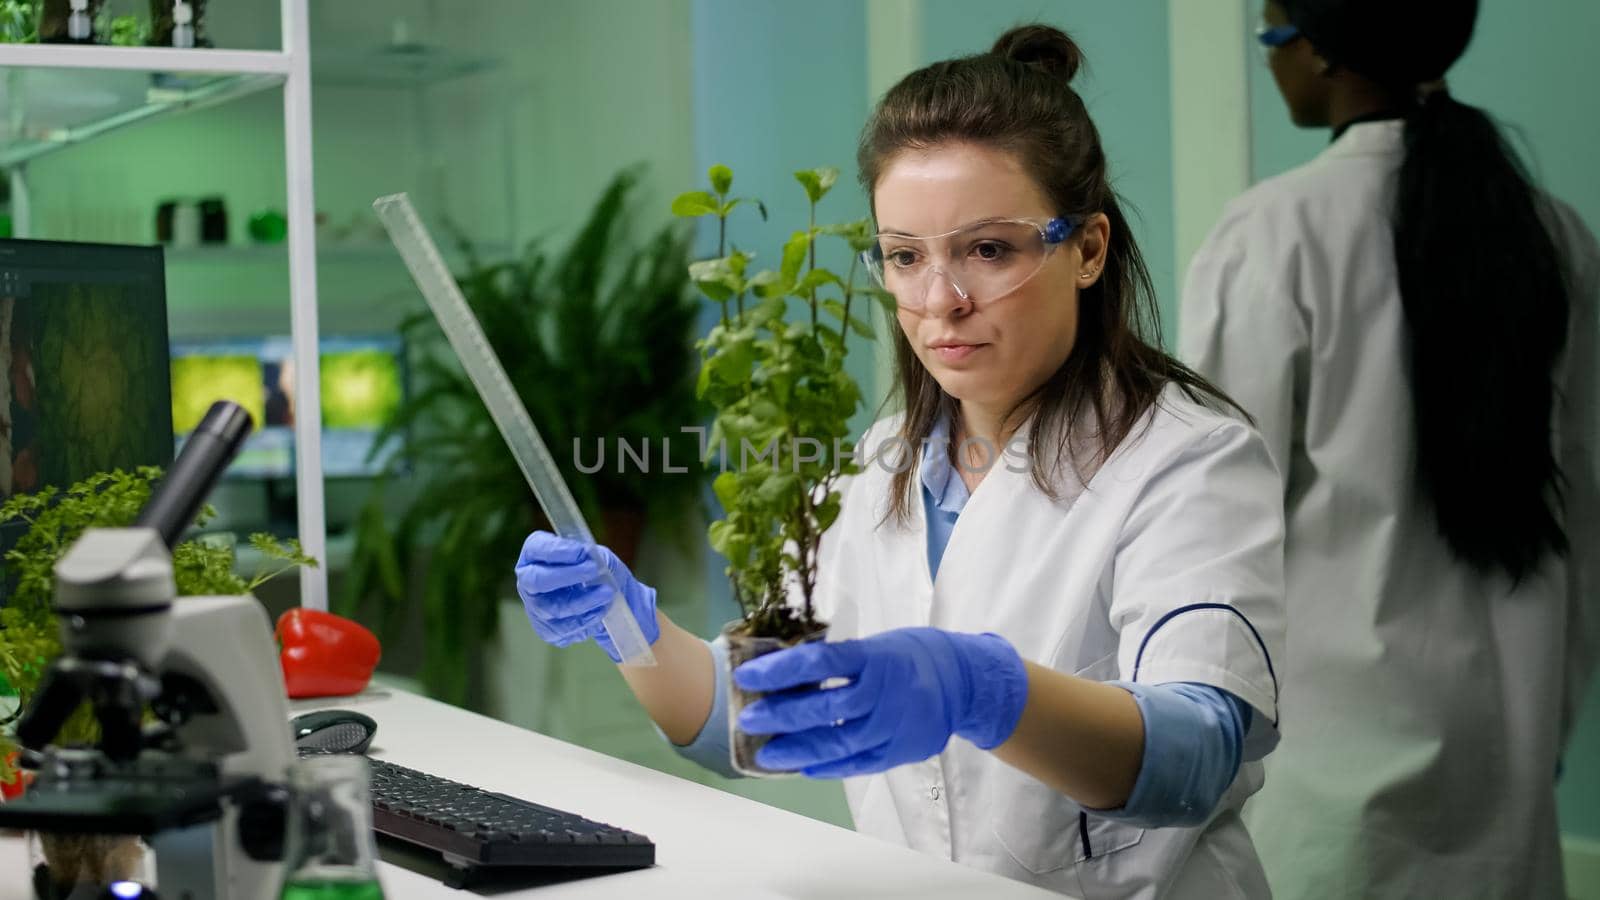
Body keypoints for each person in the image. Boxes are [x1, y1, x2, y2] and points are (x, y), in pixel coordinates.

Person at [519, 25, 1287, 897]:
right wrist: (630, 629)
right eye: (905, 256)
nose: (940, 302)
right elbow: (750, 722)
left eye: (989, 250)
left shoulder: (1189, 460)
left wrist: (980, 688)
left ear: (1087, 248)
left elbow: (1196, 755)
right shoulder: (877, 466)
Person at [1181, 2, 1599, 897]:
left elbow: (1214, 520)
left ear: (1323, 51)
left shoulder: (1274, 232)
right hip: (1507, 763)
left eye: (1273, 36)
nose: (1271, 62)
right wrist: (1548, 727)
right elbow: (1583, 507)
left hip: (1320, 787)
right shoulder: (1555, 235)